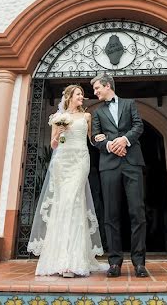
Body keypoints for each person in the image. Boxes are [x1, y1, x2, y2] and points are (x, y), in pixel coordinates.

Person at [27, 85, 108, 277]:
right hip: (62, 162)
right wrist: (60, 133)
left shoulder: (87, 117)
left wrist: (104, 139)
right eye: (79, 94)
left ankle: (74, 259)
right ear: (70, 96)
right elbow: (54, 144)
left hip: (80, 160)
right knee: (63, 206)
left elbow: (92, 140)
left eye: (82, 94)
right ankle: (61, 259)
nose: (83, 96)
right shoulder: (57, 118)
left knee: (73, 202)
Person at [90, 73, 148, 278]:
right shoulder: (97, 112)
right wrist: (111, 146)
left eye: (97, 88)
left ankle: (139, 263)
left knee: (137, 212)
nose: (95, 92)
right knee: (111, 214)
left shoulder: (129, 103)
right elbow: (95, 138)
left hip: (132, 163)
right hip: (109, 166)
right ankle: (114, 262)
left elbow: (138, 126)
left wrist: (124, 140)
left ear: (107, 86)